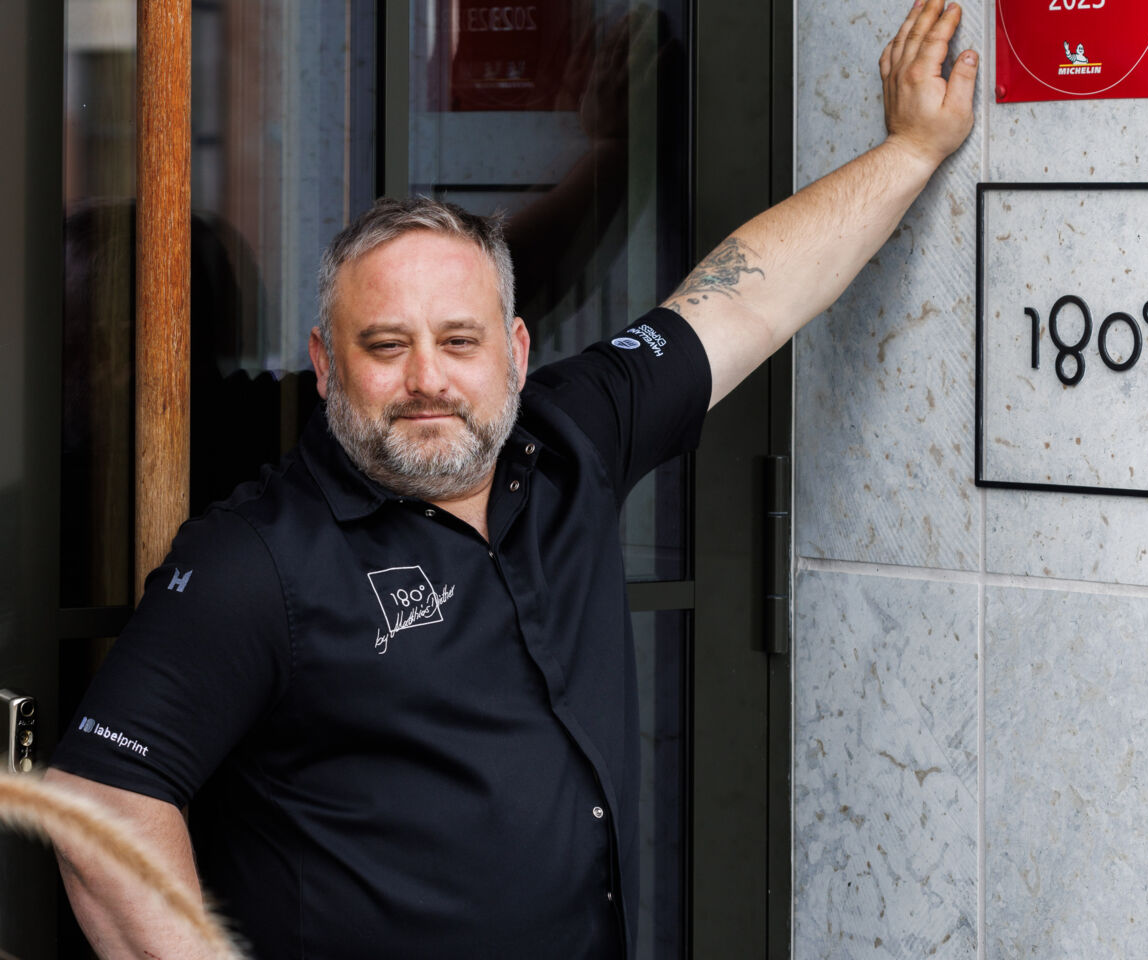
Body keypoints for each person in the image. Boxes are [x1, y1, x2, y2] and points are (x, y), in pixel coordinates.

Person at [45, 2, 978, 956]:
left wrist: (911, 150)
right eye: (385, 346)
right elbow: (102, 803)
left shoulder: (575, 434)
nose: (426, 380)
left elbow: (749, 294)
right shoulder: (257, 561)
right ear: (325, 365)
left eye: (459, 340)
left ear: (515, 351)